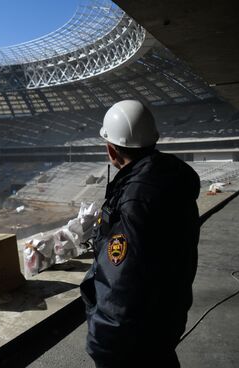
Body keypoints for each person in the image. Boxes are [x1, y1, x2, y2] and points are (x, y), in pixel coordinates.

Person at [80, 100, 200, 367]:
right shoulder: (170, 181)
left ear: (111, 150)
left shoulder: (134, 200)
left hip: (131, 342)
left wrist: (101, 345)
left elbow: (119, 283)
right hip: (165, 321)